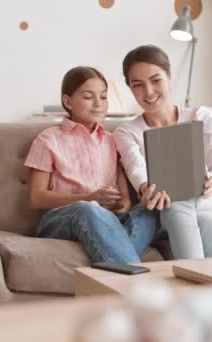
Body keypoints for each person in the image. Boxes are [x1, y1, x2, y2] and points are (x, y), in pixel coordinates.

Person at [114, 45, 212, 259]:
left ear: (169, 77)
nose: (148, 91)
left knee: (182, 206)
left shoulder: (200, 116)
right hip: (168, 209)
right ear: (130, 88)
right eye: (138, 85)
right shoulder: (126, 131)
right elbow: (135, 166)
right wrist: (146, 187)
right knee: (202, 219)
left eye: (156, 80)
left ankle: (192, 286)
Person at [25, 66, 157, 263]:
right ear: (68, 101)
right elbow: (36, 198)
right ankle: (133, 278)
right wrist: (89, 198)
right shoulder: (48, 139)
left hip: (109, 219)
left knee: (151, 211)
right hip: (63, 219)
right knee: (88, 209)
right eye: (88, 97)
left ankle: (120, 261)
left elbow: (126, 201)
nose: (98, 104)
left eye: (103, 97)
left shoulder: (113, 140)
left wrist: (121, 206)